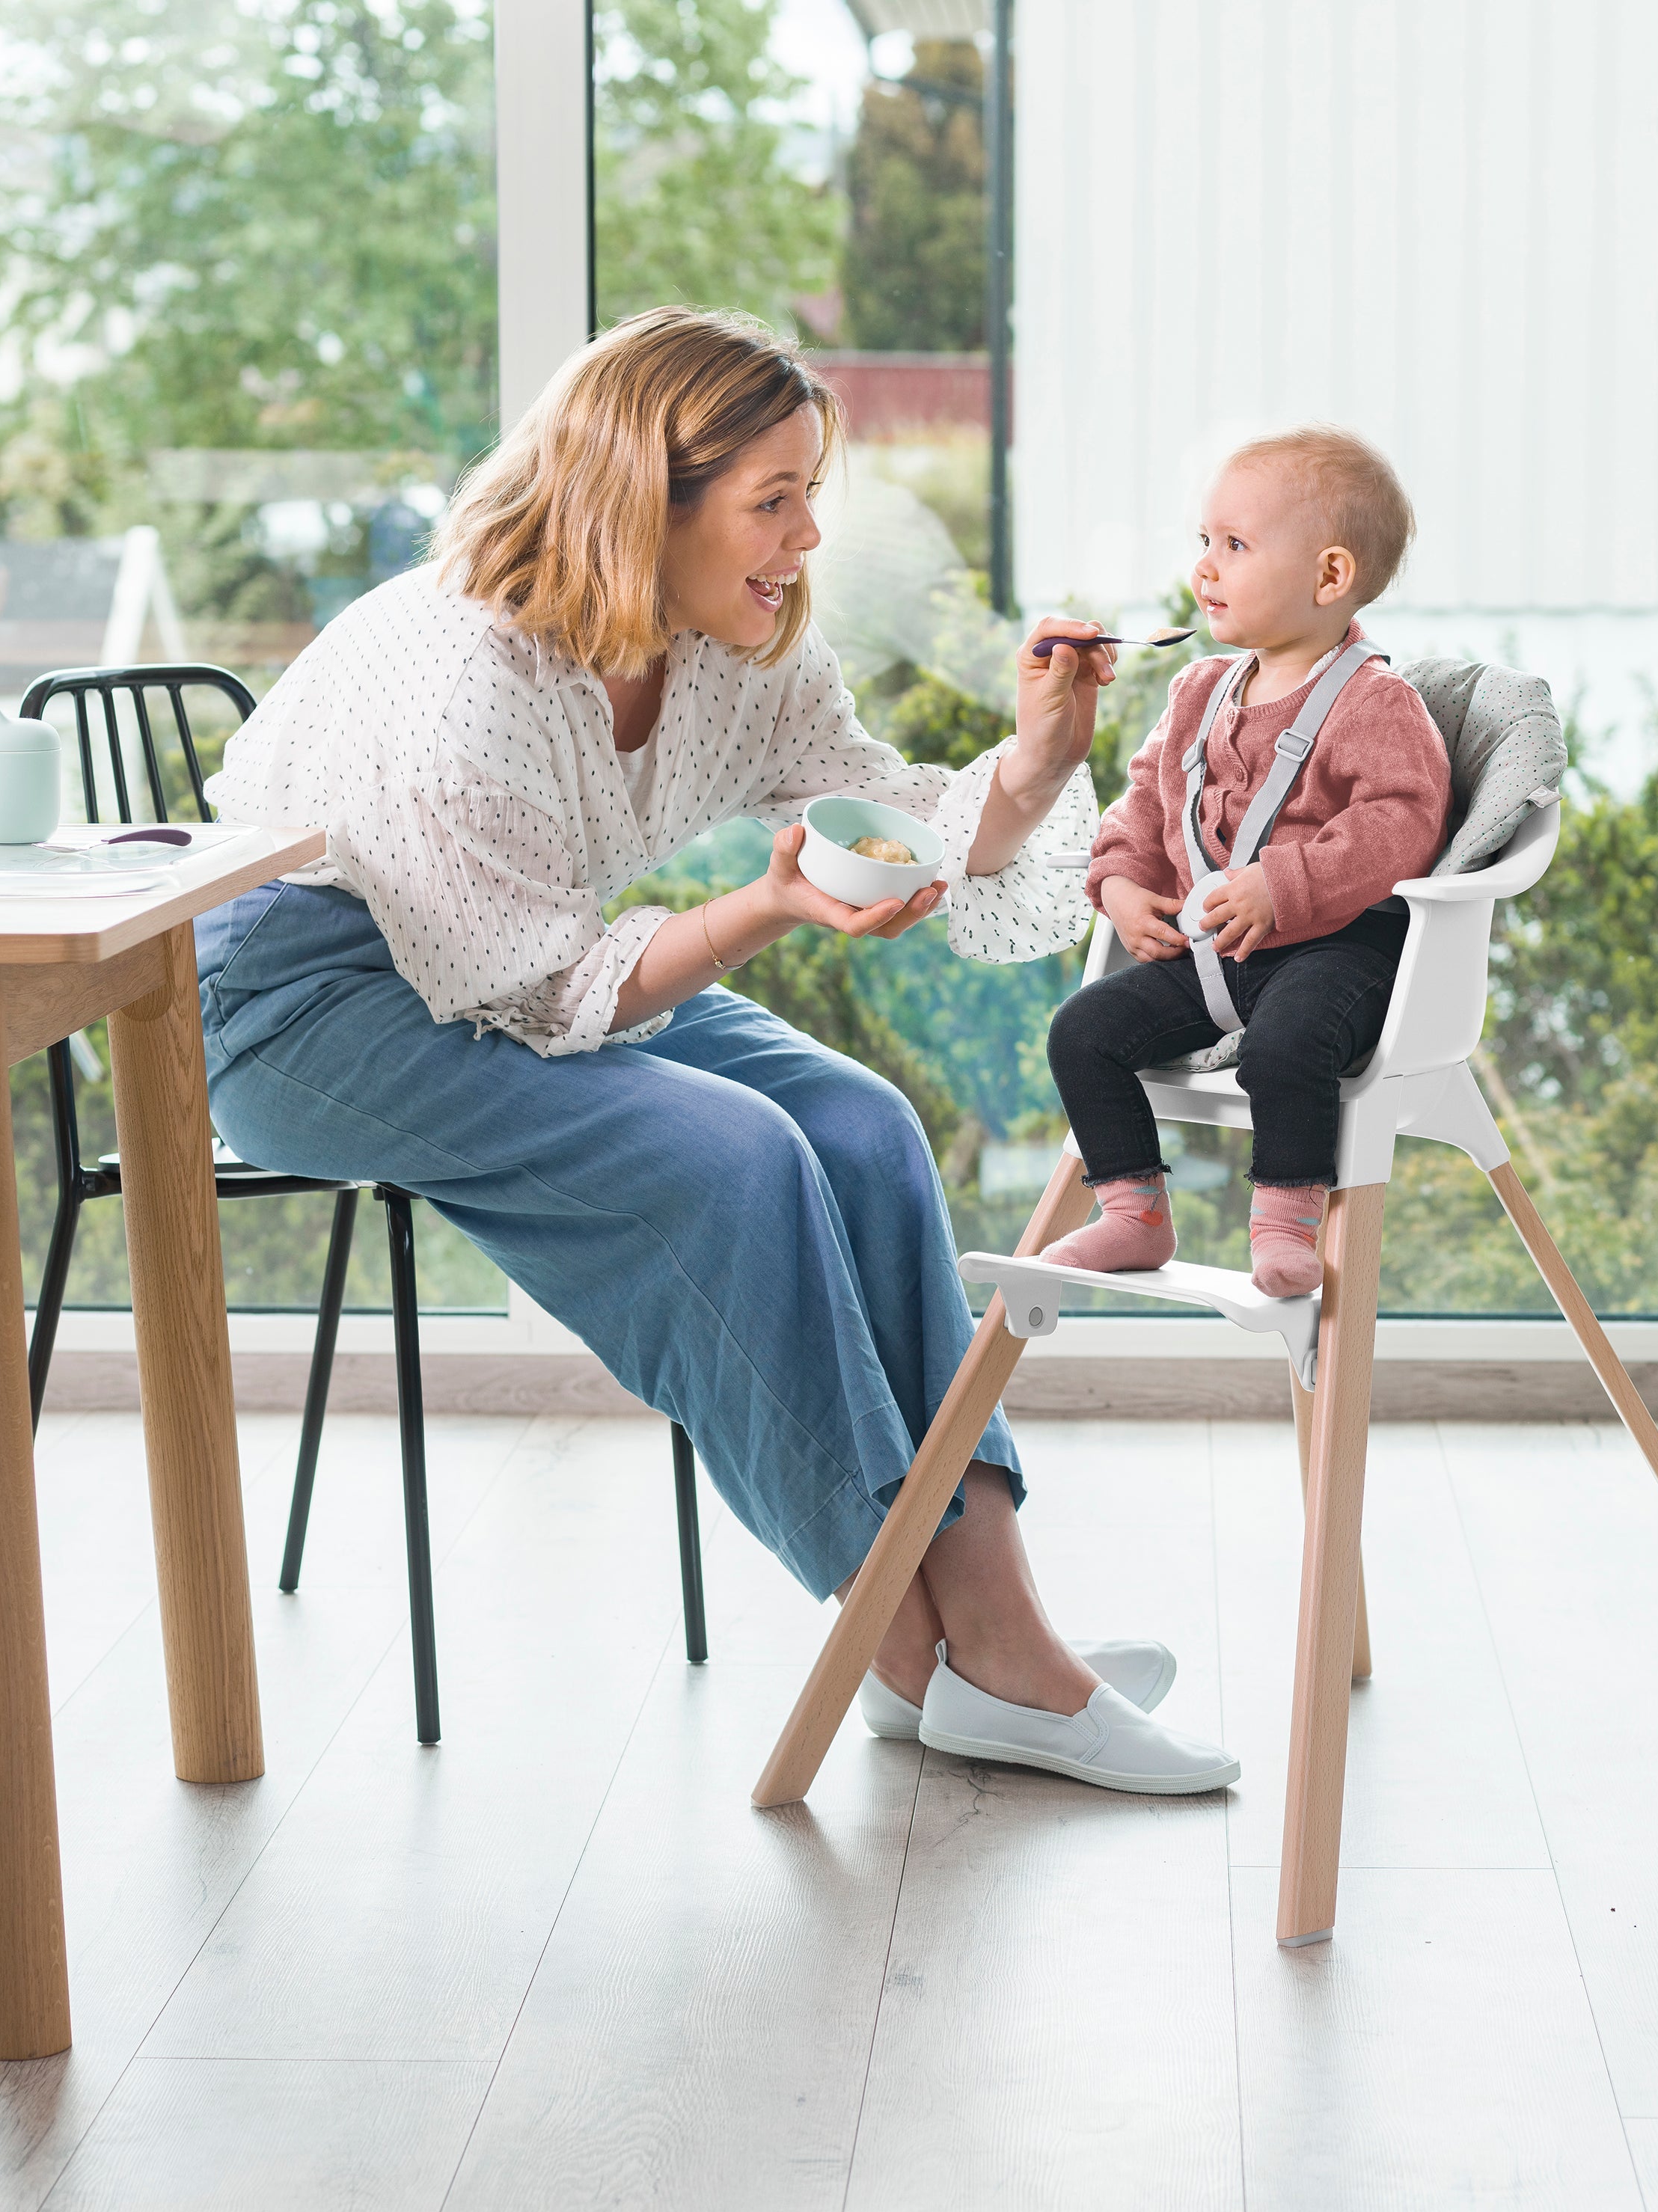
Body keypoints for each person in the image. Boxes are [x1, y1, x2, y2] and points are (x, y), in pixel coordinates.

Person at [198, 307, 1238, 1794]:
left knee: (864, 1124)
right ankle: (911, 1651)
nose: (806, 534)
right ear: (642, 500)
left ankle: (987, 1634)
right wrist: (762, 903)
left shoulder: (731, 645)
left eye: (810, 492)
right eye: (773, 499)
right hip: (301, 1004)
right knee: (735, 1158)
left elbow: (898, 820)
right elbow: (555, 985)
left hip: (520, 955)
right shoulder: (461, 682)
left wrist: (1037, 759)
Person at [1044, 427, 1453, 1296]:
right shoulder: (1196, 691)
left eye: (1234, 545)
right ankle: (1132, 1213)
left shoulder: (1378, 703)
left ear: (1329, 577)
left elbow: (1404, 820)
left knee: (1287, 1044)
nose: (1204, 568)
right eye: (1204, 542)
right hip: (1215, 957)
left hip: (1335, 953)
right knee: (1082, 1031)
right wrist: (1119, 883)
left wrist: (1285, 883)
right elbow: (1147, 802)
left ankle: (1284, 1222)